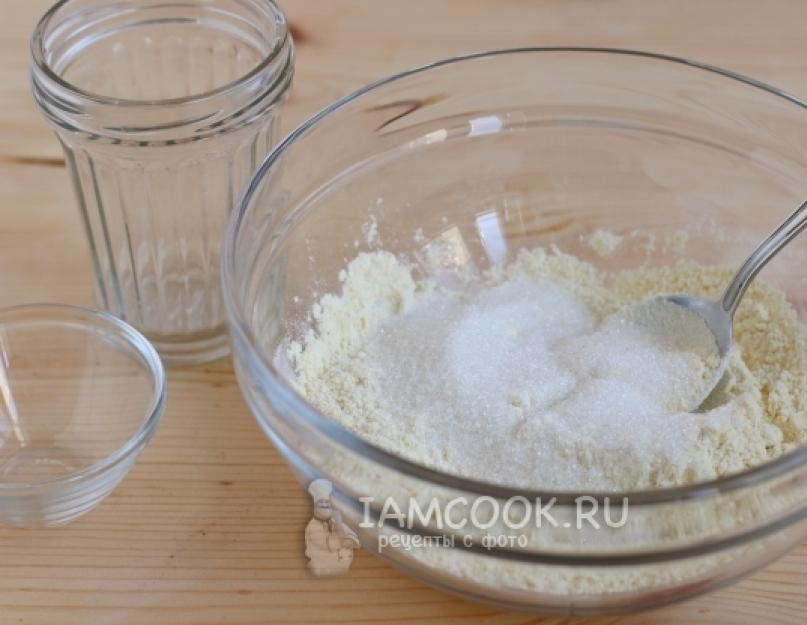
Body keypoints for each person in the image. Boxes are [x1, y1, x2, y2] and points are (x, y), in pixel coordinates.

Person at [304, 479, 360, 576]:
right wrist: (339, 525)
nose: (325, 507)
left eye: (327, 505)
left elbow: (353, 539)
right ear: (315, 508)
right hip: (322, 571)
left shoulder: (334, 521)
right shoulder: (312, 527)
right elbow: (333, 544)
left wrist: (348, 540)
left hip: (343, 573)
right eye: (322, 505)